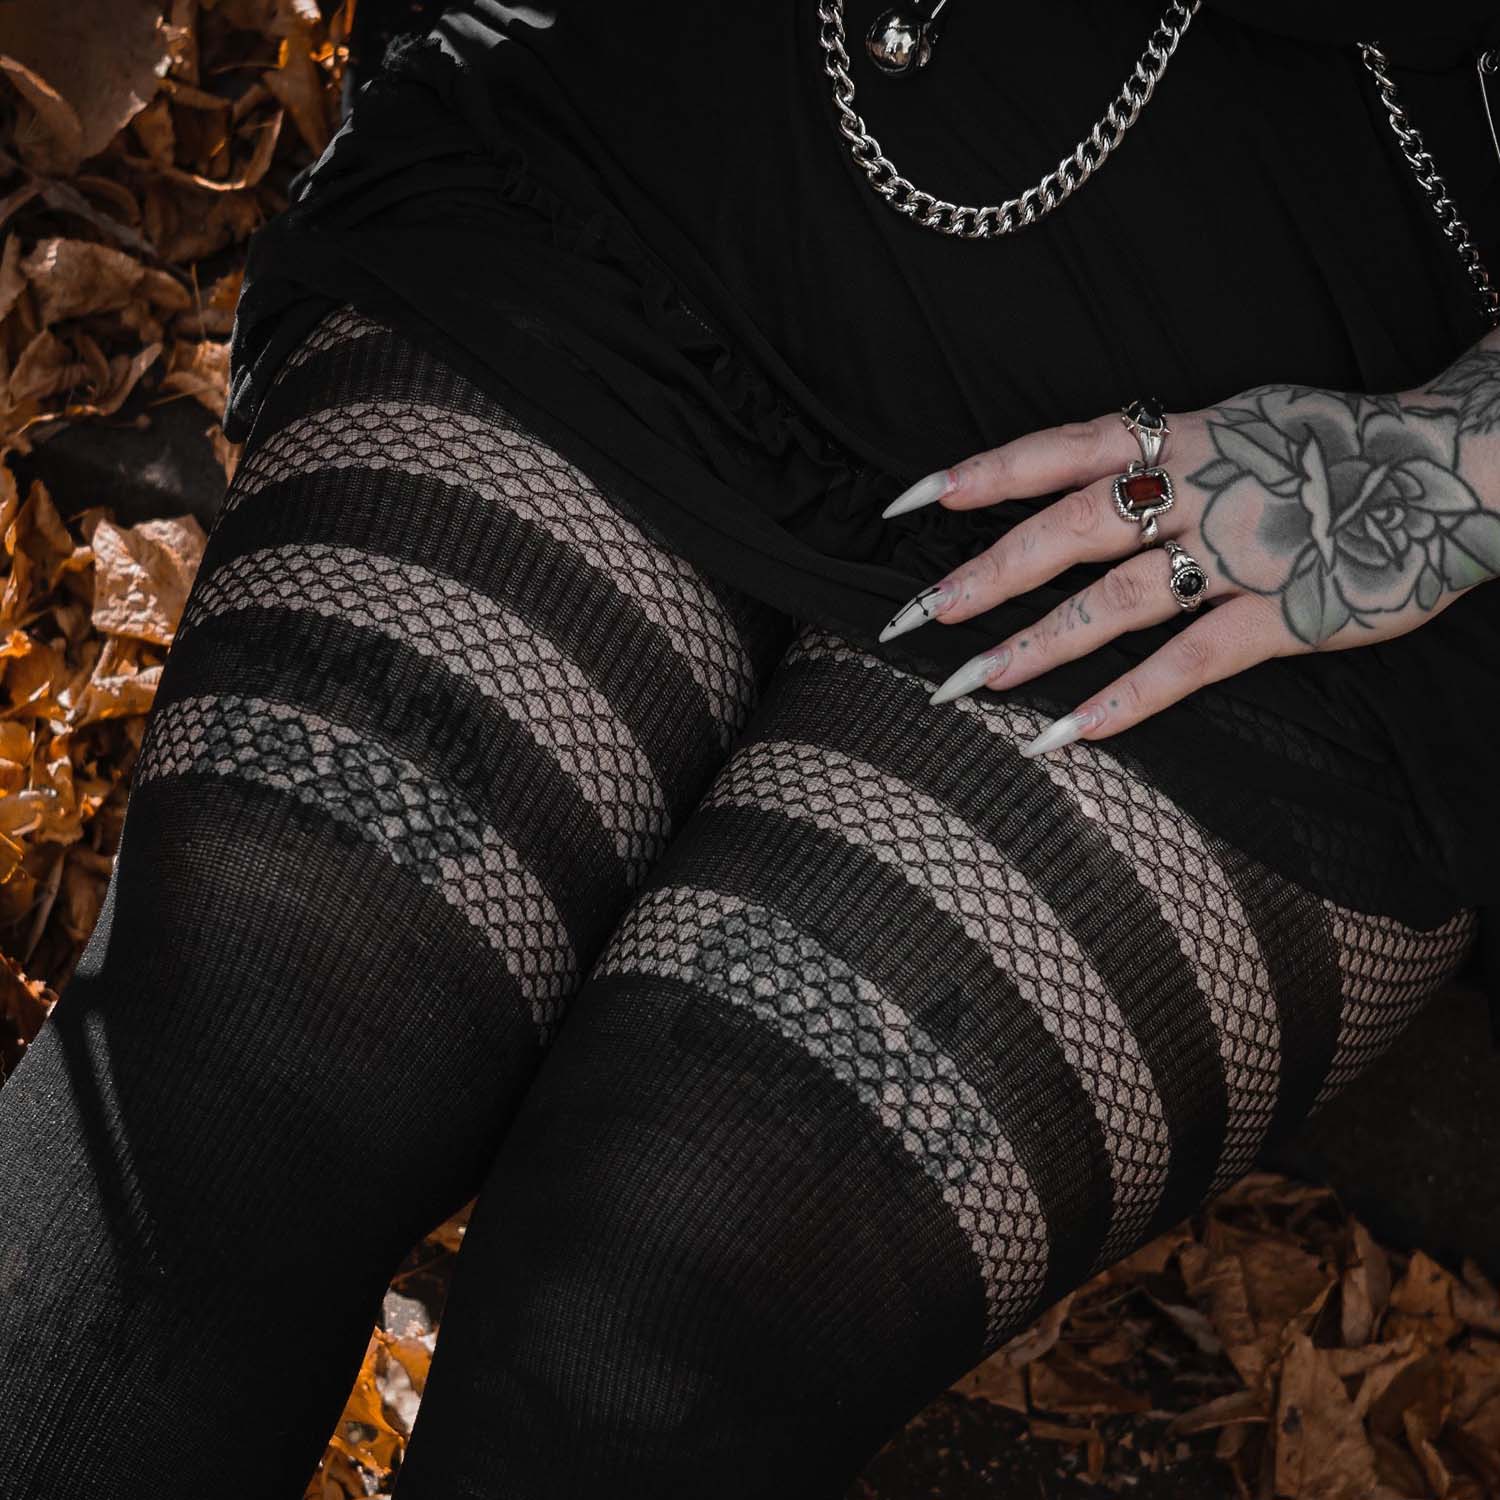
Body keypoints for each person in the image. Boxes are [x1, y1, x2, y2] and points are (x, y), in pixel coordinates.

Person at [2, 3, 1497, 1495]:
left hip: (1333, 369)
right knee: (245, 1042)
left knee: (658, 1309)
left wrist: (1447, 469)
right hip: (705, 137)